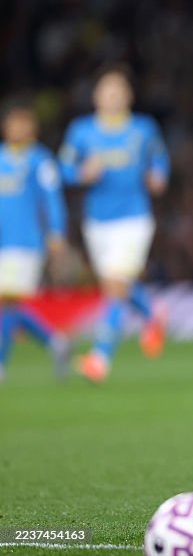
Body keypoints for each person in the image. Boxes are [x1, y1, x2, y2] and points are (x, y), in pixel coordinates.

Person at [59, 64, 170, 383]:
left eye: (118, 91)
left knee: (116, 288)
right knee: (115, 286)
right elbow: (63, 168)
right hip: (97, 220)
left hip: (134, 216)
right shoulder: (81, 131)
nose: (112, 97)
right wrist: (81, 174)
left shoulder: (143, 129)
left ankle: (100, 358)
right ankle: (152, 312)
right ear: (96, 97)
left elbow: (160, 158)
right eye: (107, 91)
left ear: (129, 96)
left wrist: (159, 176)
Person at [0, 104, 70, 382]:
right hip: (2, 242)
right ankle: (55, 342)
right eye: (13, 123)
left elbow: (52, 199)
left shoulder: (40, 161)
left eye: (23, 124)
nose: (17, 129)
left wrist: (56, 232)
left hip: (26, 242)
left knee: (7, 299)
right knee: (10, 306)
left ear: (32, 129)